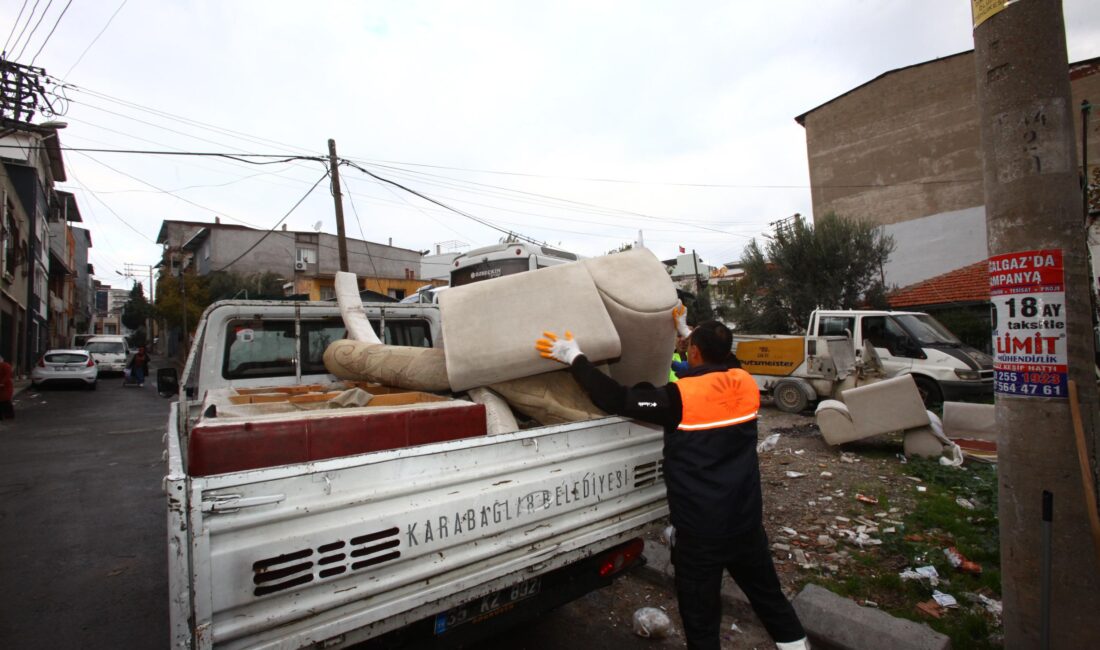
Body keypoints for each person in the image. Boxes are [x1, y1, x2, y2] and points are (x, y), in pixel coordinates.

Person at [535, 306, 808, 650]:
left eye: (690, 345)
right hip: (746, 525)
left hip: (701, 533)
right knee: (771, 601)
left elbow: (615, 398)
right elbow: (716, 358)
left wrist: (574, 357)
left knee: (701, 619)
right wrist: (686, 330)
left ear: (695, 351)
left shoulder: (679, 400)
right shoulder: (745, 382)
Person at [0, 355, 13, 420]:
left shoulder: (5, 366)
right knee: (4, 401)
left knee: (5, 401)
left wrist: (2, 382)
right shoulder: (6, 365)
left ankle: (8, 415)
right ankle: (7, 415)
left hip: (5, 386)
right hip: (5, 386)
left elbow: (8, 375)